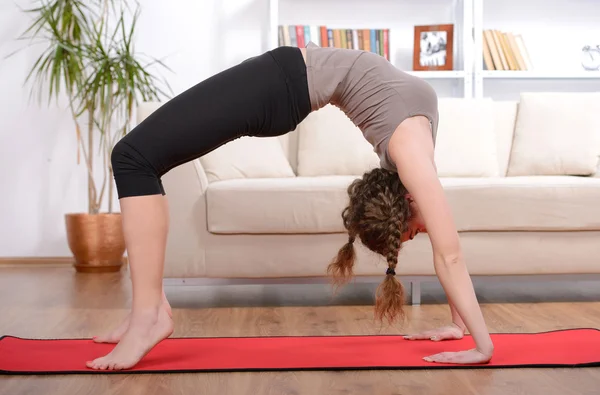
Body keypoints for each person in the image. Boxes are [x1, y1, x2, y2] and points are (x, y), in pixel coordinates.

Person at [86, 41, 494, 371]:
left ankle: (148, 314)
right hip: (279, 82)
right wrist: (479, 343)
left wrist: (466, 331)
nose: (425, 230)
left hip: (281, 82)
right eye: (414, 231)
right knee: (135, 158)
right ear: (408, 201)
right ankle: (149, 310)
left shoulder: (412, 154)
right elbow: (451, 253)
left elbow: (447, 253)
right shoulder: (413, 158)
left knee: (133, 157)